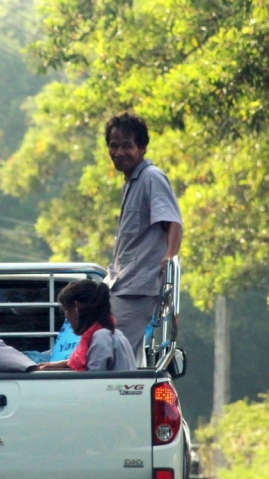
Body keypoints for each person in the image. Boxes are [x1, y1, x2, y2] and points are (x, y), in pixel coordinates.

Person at [103, 112, 183, 357]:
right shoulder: (131, 181)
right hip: (121, 282)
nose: (119, 152)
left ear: (142, 148)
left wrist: (169, 256)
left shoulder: (151, 177)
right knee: (115, 350)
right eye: (113, 145)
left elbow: (173, 223)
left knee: (113, 353)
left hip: (138, 286)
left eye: (127, 146)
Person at [37, 279, 136, 372]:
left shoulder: (101, 337)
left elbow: (92, 379)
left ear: (77, 308)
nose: (66, 317)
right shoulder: (111, 333)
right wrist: (55, 365)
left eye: (66, 309)